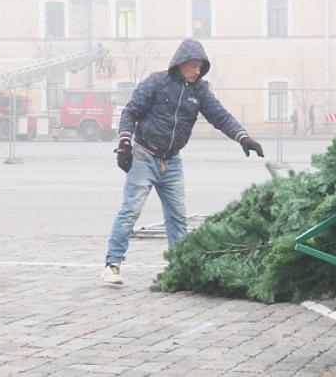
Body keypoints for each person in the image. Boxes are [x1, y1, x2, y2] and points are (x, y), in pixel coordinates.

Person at [102, 39, 263, 285]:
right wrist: (124, 144)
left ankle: (179, 266)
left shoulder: (199, 91)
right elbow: (131, 112)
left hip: (172, 162)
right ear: (180, 62)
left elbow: (219, 115)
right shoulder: (156, 83)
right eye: (193, 65)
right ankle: (112, 264)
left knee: (178, 216)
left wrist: (243, 137)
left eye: (200, 67)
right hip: (144, 155)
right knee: (130, 211)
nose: (197, 71)